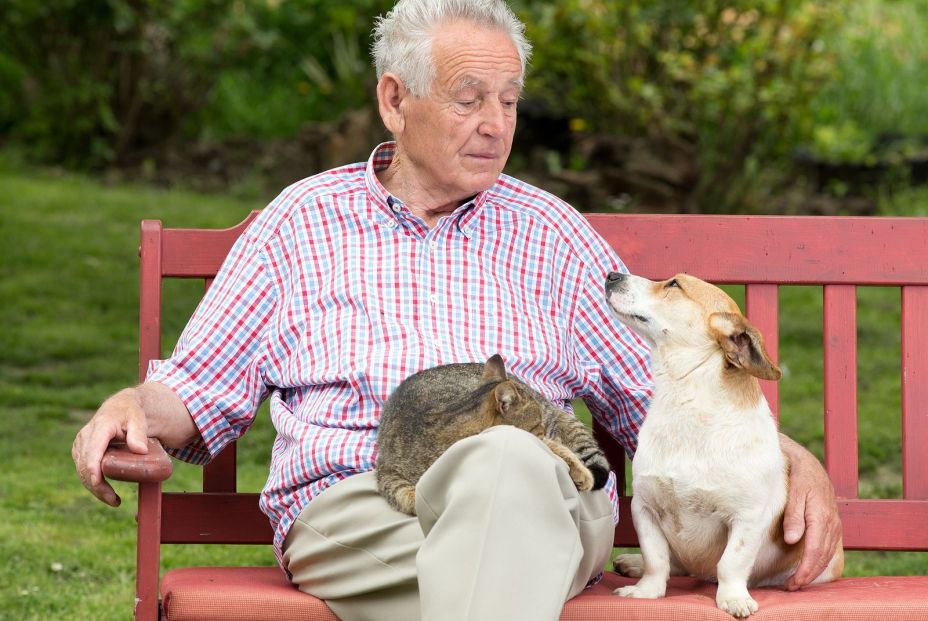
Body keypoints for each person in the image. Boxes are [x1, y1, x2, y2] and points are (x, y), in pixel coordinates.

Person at [71, 1, 842, 619]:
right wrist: (132, 402)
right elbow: (200, 387)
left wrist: (788, 460)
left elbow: (675, 396)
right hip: (359, 510)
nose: (496, 124)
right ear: (394, 99)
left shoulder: (555, 236)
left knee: (505, 458)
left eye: (508, 101)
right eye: (469, 99)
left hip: (548, 503)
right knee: (498, 548)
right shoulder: (299, 225)